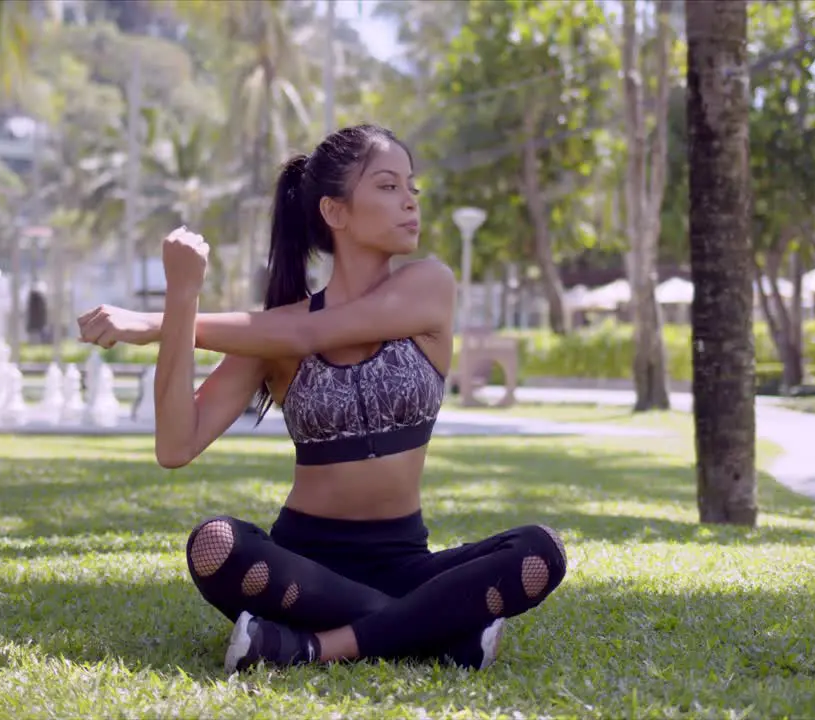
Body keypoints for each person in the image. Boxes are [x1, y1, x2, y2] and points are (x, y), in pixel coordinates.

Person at [76, 124, 566, 673]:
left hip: (404, 560)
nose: (410, 200)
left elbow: (309, 334)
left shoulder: (428, 286)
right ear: (335, 212)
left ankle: (310, 647)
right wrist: (183, 299)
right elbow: (175, 444)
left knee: (539, 551)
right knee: (214, 544)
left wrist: (151, 322)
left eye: (412, 187)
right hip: (305, 568)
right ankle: (438, 633)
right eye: (387, 186)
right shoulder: (270, 334)